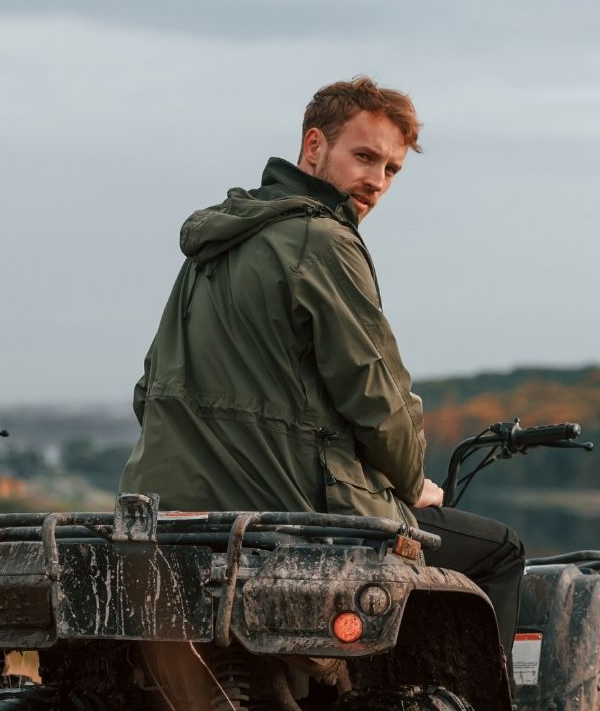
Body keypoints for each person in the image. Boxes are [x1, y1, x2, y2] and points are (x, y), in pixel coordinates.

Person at [121, 77, 526, 646]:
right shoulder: (324, 241)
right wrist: (411, 484)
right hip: (294, 515)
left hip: (170, 512)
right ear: (314, 146)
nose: (377, 182)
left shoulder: (216, 245)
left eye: (392, 170)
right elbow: (378, 399)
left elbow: (149, 391)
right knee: (501, 551)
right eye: (364, 157)